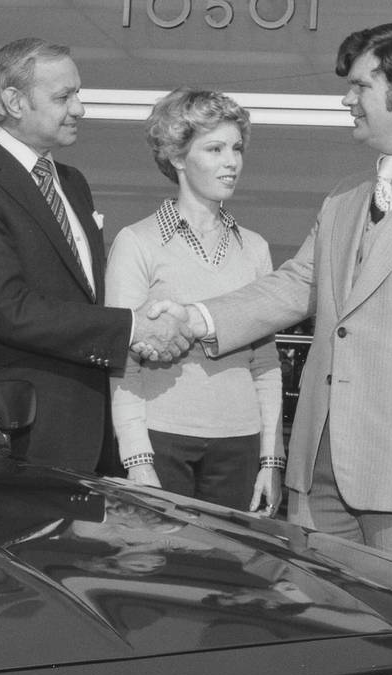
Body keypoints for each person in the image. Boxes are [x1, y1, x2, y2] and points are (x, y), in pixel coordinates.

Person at [156, 22, 392, 579]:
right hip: (319, 471)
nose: (347, 99)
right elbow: (298, 284)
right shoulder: (346, 194)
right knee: (323, 621)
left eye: (361, 85)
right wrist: (197, 317)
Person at [0, 37, 193, 473]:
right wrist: (131, 327)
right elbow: (8, 309)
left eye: (78, 94)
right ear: (14, 101)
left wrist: (148, 321)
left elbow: (85, 297)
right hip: (16, 433)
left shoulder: (72, 182)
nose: (80, 108)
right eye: (64, 96)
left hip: (88, 429)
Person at [107, 88, 283, 514]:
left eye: (237, 148)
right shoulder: (136, 242)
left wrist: (270, 460)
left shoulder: (255, 249)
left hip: (241, 447)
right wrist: (137, 459)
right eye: (215, 149)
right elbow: (122, 362)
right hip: (161, 442)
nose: (232, 161)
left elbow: (265, 363)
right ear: (178, 157)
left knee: (233, 560)